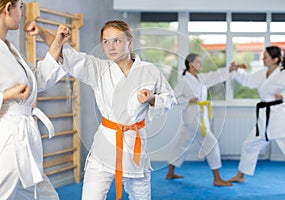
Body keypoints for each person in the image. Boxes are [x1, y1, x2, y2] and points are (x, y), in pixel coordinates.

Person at [39, 20, 177, 200]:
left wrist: (152, 99)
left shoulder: (149, 71)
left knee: (141, 196)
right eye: (106, 41)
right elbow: (68, 55)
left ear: (130, 42)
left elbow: (170, 99)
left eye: (117, 41)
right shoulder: (98, 68)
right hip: (105, 143)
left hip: (134, 145)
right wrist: (42, 32)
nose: (111, 47)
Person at [0, 0, 70, 199]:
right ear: (8, 8)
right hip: (8, 140)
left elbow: (37, 79)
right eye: (20, 6)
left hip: (24, 140)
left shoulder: (9, 48)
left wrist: (57, 43)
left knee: (45, 196)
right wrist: (7, 95)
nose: (22, 12)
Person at [228, 46, 285, 183]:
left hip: (279, 118)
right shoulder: (263, 73)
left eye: (265, 57)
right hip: (264, 118)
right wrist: (237, 71)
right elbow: (248, 80)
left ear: (275, 59)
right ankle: (240, 175)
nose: (262, 59)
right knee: (249, 145)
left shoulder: (284, 75)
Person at [166, 53, 235, 186]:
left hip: (200, 117)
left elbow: (215, 76)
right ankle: (217, 179)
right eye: (198, 62)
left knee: (183, 144)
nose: (201, 64)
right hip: (193, 119)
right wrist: (189, 100)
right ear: (190, 64)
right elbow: (174, 98)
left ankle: (170, 172)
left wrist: (230, 69)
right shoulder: (184, 80)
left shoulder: (200, 78)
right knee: (212, 143)